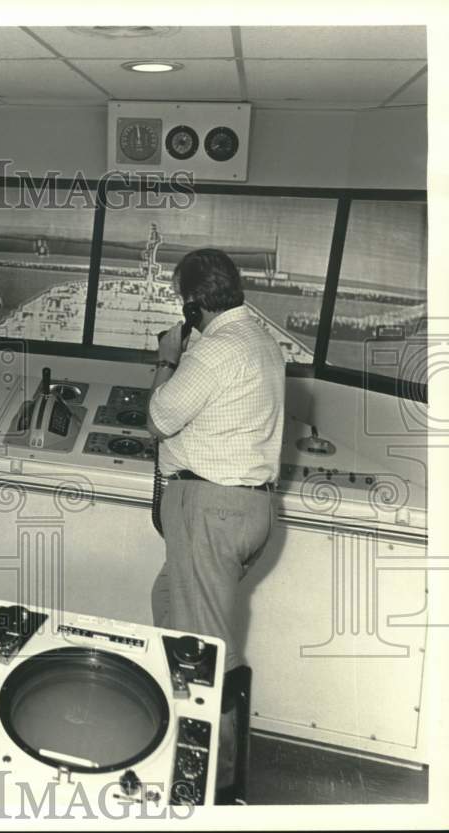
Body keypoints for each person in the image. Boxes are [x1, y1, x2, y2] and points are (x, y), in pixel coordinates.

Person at [147, 248, 284, 793]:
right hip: (249, 509)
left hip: (212, 509)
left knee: (206, 649)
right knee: (166, 604)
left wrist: (167, 357)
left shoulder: (213, 350)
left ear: (195, 305)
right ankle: (182, 733)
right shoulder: (259, 339)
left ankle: (215, 785)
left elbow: (159, 418)